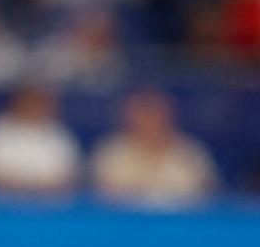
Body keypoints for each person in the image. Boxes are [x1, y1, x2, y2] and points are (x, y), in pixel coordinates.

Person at [90, 88, 220, 209]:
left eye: (155, 111)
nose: (149, 119)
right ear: (128, 116)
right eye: (143, 111)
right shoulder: (111, 153)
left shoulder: (191, 152)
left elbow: (210, 195)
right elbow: (101, 197)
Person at [0, 84, 81, 200]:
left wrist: (36, 187)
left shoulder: (60, 136)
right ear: (17, 103)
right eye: (30, 102)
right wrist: (16, 185)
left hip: (47, 207)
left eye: (39, 102)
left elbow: (67, 177)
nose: (34, 107)